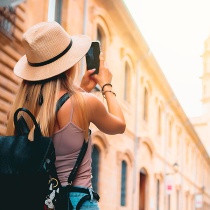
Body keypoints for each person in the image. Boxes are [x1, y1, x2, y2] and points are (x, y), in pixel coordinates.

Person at [6, 21, 126, 209]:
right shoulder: (86, 103)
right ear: (68, 65)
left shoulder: (21, 108)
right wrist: (106, 85)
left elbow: (54, 106)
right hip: (76, 202)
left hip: (36, 201)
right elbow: (119, 125)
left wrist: (82, 88)